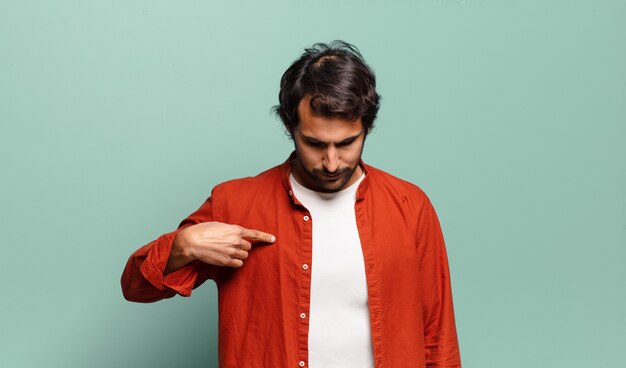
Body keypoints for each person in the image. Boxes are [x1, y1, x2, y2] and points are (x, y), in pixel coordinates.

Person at [121, 40, 461, 368]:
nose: (331, 162)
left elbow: (438, 336)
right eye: (314, 143)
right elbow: (136, 287)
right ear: (289, 125)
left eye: (346, 143)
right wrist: (183, 245)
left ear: (367, 128)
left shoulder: (409, 206)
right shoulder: (235, 203)